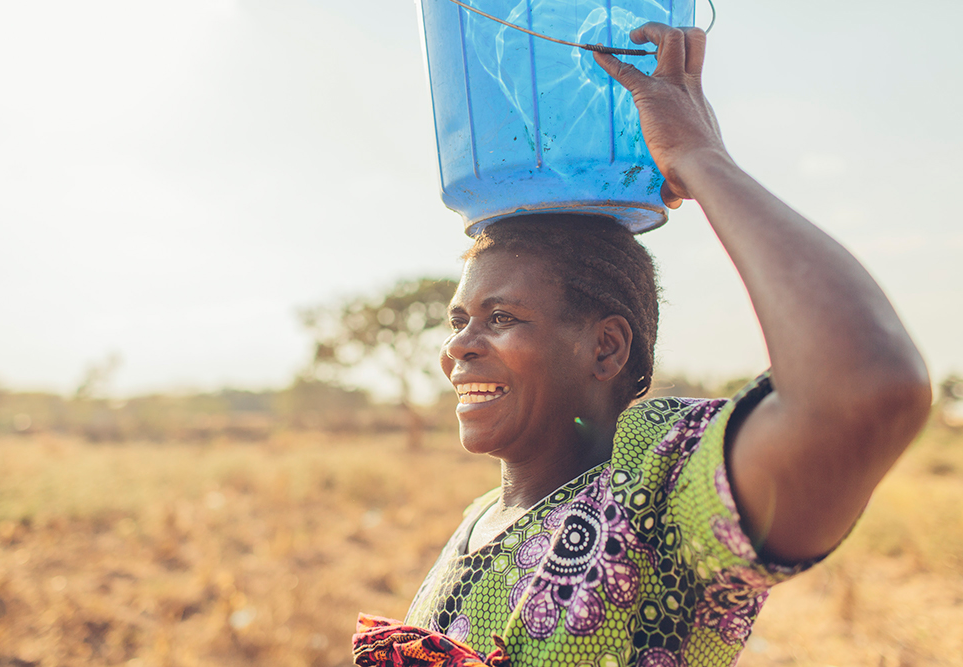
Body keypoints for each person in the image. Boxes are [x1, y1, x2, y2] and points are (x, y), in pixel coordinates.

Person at [352, 22, 931, 667]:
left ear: (606, 349)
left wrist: (699, 158)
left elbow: (867, 390)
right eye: (458, 319)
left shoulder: (657, 496)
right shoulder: (480, 520)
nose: (459, 346)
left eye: (502, 318)